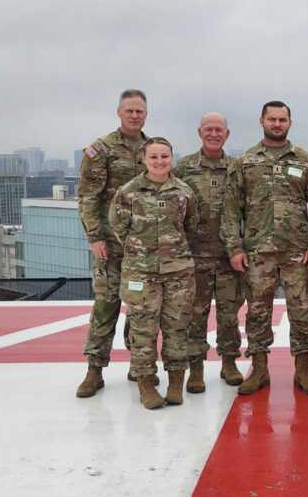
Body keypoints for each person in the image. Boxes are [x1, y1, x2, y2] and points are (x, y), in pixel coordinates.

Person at [221, 101, 308, 396]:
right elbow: (231, 210)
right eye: (272, 119)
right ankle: (259, 370)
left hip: (297, 254)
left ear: (290, 123)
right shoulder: (245, 162)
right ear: (262, 121)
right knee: (257, 312)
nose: (277, 124)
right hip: (257, 253)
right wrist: (234, 248)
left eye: (282, 119)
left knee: (303, 312)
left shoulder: (305, 161)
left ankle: (303, 371)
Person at [109, 137, 198, 409]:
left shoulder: (184, 192)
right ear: (144, 160)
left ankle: (174, 383)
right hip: (141, 273)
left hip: (178, 272)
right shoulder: (129, 192)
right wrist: (142, 252)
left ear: (172, 158)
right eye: (154, 157)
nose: (160, 162)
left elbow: (190, 225)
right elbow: (119, 226)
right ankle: (146, 384)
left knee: (177, 327)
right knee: (143, 329)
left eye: (165, 157)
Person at [76, 89, 150, 398]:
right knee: (106, 306)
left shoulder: (153, 149)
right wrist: (95, 236)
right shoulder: (101, 149)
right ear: (119, 113)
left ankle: (139, 364)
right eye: (130, 110)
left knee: (141, 308)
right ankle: (95, 370)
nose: (135, 115)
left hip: (142, 248)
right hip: (109, 245)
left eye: (140, 111)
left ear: (146, 114)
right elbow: (88, 196)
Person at [173, 112, 245, 392]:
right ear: (199, 132)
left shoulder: (237, 169)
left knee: (229, 315)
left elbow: (247, 208)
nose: (214, 134)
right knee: (196, 315)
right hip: (195, 256)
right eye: (208, 129)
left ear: (227, 135)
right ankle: (197, 368)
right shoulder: (184, 168)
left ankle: (229, 363)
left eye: (219, 130)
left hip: (230, 257)